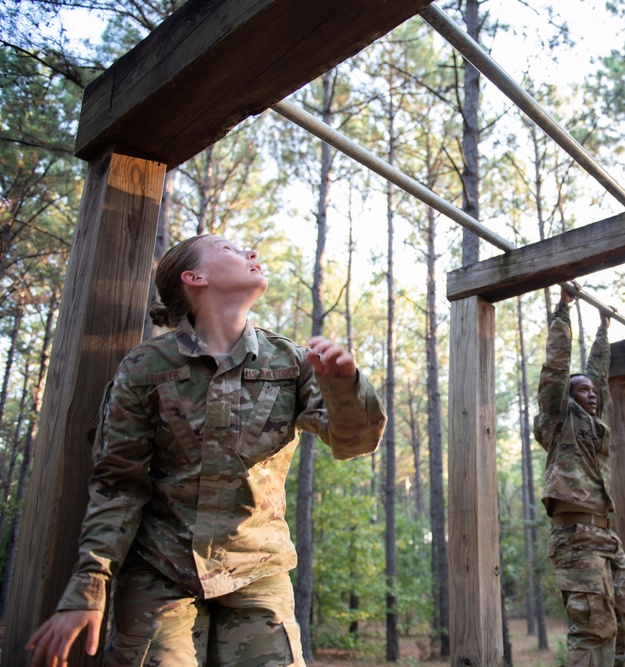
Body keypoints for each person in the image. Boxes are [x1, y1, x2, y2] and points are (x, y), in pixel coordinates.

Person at [26, 234, 387, 667]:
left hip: (257, 570)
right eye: (230, 250)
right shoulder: (145, 368)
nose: (251, 254)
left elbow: (353, 442)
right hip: (159, 570)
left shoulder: (290, 361)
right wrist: (88, 586)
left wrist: (345, 385)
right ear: (194, 278)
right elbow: (118, 485)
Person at [533, 285, 625, 667]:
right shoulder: (557, 420)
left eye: (592, 391)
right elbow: (556, 368)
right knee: (595, 631)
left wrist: (603, 329)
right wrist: (564, 310)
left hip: (605, 537)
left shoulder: (593, 427)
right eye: (582, 390)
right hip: (576, 540)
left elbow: (597, 374)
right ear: (566, 399)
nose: (592, 393)